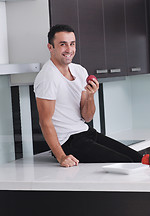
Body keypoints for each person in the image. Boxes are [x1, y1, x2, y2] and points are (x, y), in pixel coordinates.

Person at [34, 24, 142, 167]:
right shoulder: (48, 77)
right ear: (50, 47)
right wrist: (61, 157)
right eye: (63, 44)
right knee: (127, 163)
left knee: (139, 159)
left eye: (72, 44)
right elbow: (45, 122)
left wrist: (90, 95)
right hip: (67, 142)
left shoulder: (79, 71)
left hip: (86, 132)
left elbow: (87, 117)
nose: (69, 49)